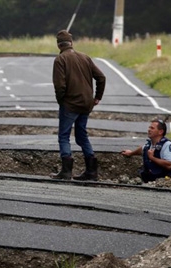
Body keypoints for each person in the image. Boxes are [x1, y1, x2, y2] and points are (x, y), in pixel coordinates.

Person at [50, 30, 106, 181]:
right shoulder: (85, 57)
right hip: (86, 104)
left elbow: (59, 86)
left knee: (64, 136)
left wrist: (61, 101)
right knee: (82, 136)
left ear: (58, 45)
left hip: (70, 104)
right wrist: (97, 97)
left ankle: (66, 171)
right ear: (71, 43)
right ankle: (91, 171)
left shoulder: (60, 60)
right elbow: (101, 77)